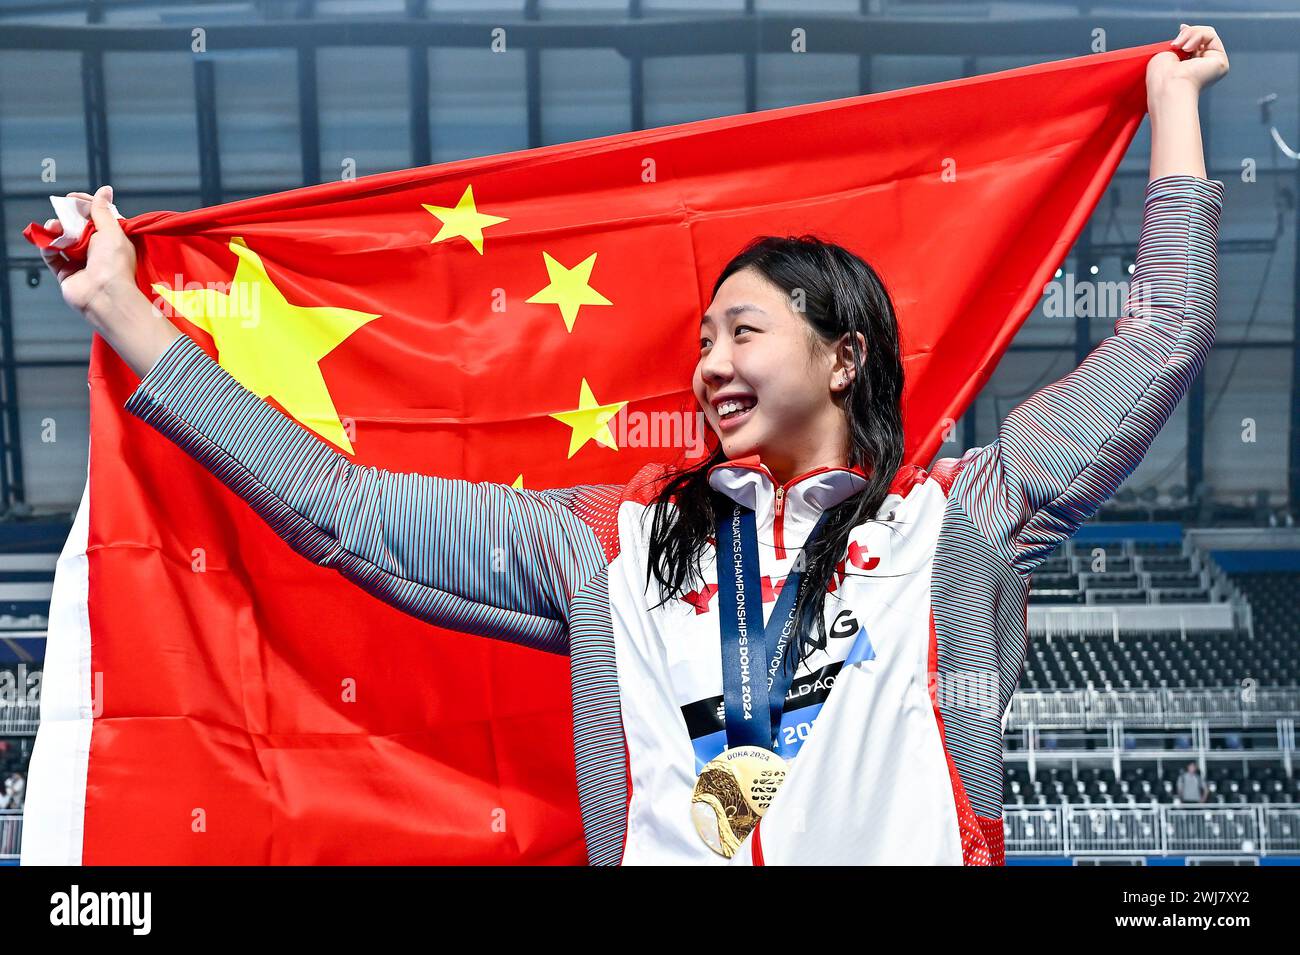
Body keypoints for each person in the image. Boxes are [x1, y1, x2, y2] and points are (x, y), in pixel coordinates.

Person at [40, 25, 1229, 865]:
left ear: (843, 358)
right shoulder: (610, 545)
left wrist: (1172, 108)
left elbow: (1161, 337)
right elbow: (340, 507)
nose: (709, 363)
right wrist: (123, 312)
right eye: (702, 337)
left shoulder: (959, 524)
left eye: (745, 331)